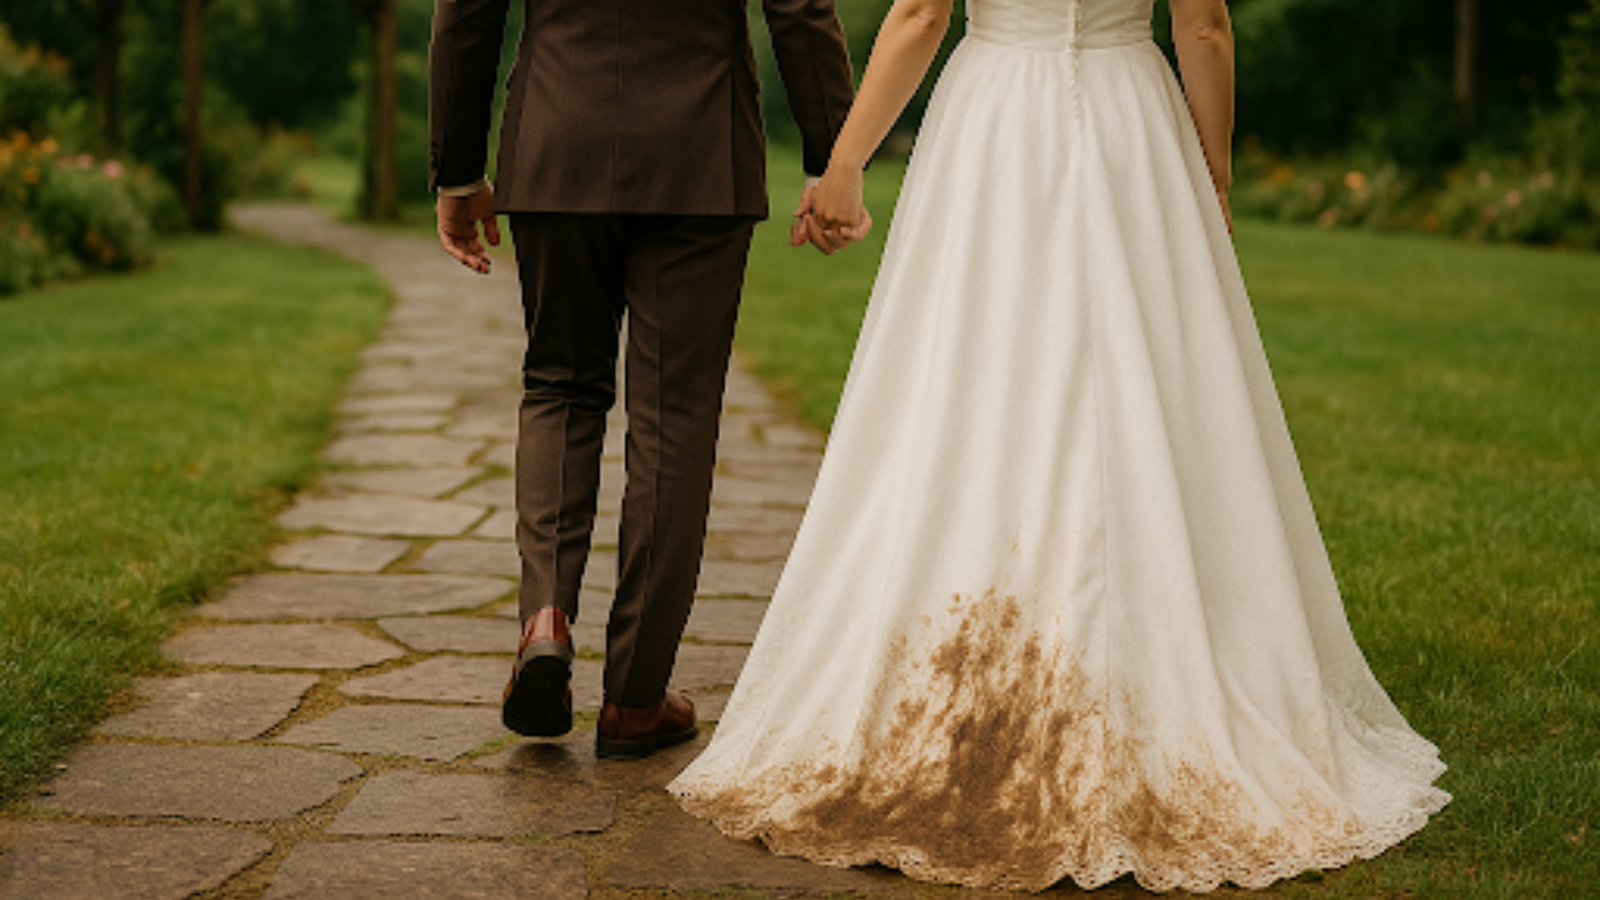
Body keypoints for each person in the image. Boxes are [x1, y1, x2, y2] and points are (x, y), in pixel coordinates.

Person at [669, 0, 1450, 890]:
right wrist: (1214, 175)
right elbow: (1203, 26)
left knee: (973, 381)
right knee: (1151, 382)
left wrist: (844, 163)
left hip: (996, 121)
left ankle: (966, 641)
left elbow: (920, 15)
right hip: (1132, 122)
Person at [426, 0, 856, 760]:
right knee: (675, 415)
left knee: (560, 385)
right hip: (701, 153)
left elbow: (467, 10)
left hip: (560, 138)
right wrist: (831, 157)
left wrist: (458, 169)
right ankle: (635, 697)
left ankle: (545, 621)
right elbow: (798, 6)